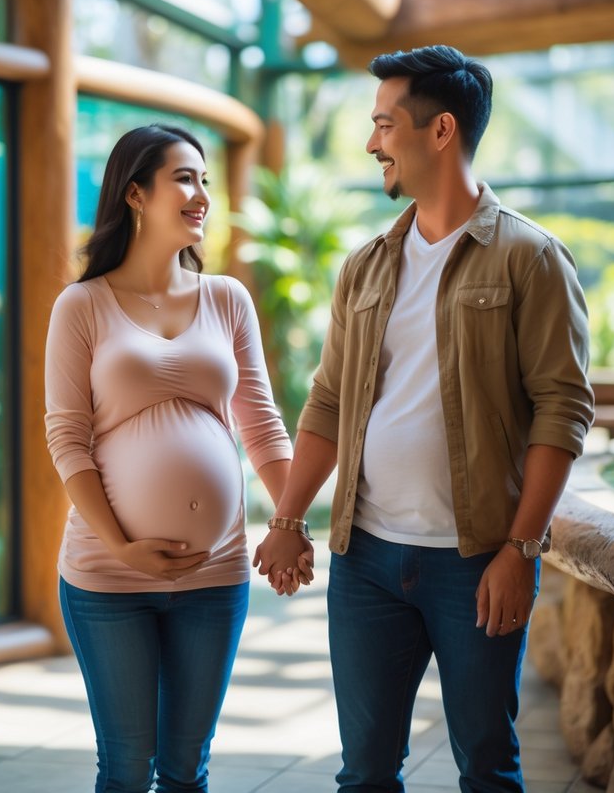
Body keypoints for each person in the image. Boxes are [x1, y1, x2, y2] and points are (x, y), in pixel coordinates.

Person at [253, 45, 595, 792]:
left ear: (440, 131)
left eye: (383, 123)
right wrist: (285, 519)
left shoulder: (529, 259)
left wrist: (519, 550)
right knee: (364, 772)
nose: (371, 142)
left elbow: (561, 408)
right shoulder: (365, 265)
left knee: (485, 766)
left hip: (474, 561)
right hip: (366, 561)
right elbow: (329, 399)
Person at [44, 123, 297, 793]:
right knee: (126, 767)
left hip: (213, 578)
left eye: (204, 180)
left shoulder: (226, 298)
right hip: (108, 577)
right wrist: (122, 546)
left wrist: (290, 520)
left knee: (186, 770)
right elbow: (66, 439)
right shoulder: (82, 305)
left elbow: (262, 424)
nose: (200, 194)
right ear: (134, 193)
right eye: (184, 178)